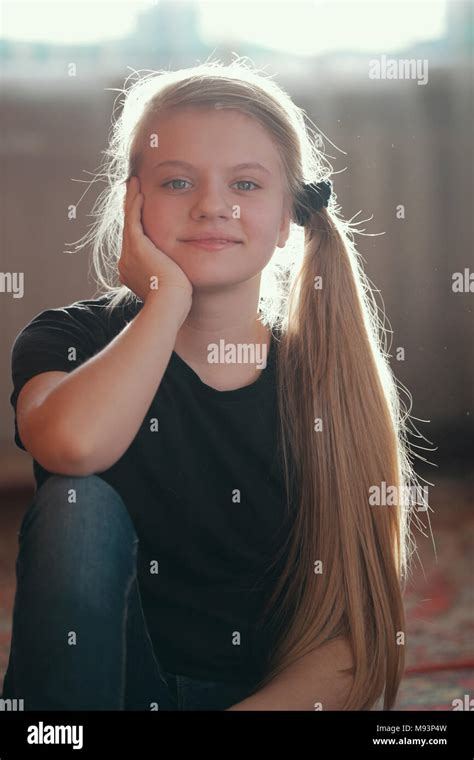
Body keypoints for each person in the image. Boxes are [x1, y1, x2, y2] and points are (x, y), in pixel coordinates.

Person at [2, 59, 421, 711]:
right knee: (76, 504)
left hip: (254, 700)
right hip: (105, 690)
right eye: (176, 181)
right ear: (132, 203)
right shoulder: (66, 339)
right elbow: (73, 448)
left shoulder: (321, 382)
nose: (212, 205)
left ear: (287, 219)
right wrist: (166, 299)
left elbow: (356, 644)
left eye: (246, 184)